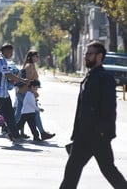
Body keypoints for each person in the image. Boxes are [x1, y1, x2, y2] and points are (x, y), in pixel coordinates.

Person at [59, 41, 127, 189]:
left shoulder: (104, 78)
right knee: (71, 172)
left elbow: (109, 108)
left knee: (109, 170)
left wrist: (101, 131)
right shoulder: (89, 77)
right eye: (86, 54)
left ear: (99, 56)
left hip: (98, 136)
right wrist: (76, 134)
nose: (86, 57)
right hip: (83, 135)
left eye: (90, 54)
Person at [14, 50, 55, 140]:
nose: (37, 58)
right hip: (26, 94)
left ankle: (12, 130)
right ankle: (42, 133)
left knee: (20, 114)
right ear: (30, 57)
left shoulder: (31, 65)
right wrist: (33, 92)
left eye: (37, 56)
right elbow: (27, 81)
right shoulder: (29, 66)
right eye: (35, 56)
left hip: (23, 93)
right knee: (35, 112)